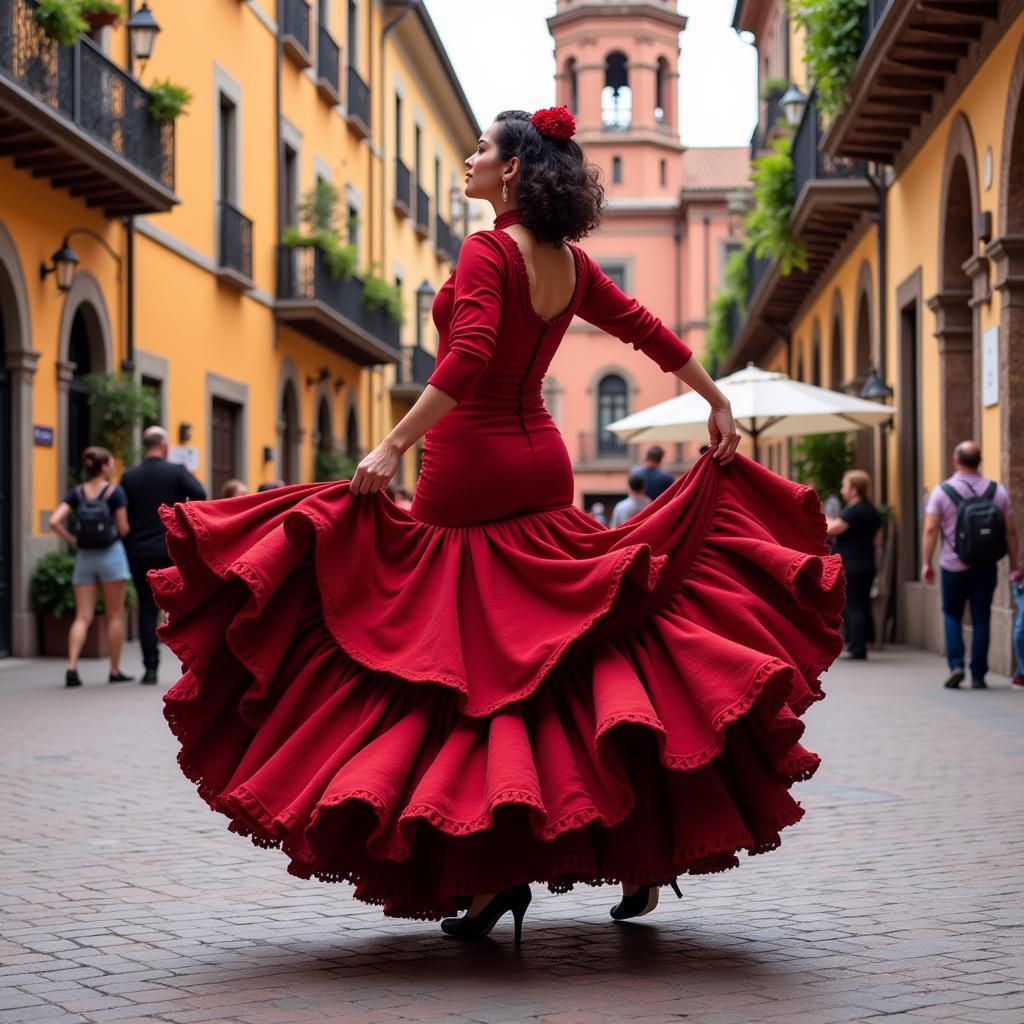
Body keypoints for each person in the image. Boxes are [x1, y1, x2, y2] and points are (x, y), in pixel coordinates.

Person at [149, 106, 843, 942]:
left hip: (468, 470)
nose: (470, 158)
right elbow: (647, 330)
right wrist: (716, 396)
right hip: (542, 464)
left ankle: (489, 874)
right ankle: (641, 856)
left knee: (460, 670)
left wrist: (392, 446)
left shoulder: (486, 249)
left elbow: (470, 354)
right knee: (571, 649)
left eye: (481, 149)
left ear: (511, 170)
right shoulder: (569, 263)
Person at [921, 441, 1020, 689]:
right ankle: (978, 674)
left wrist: (926, 562)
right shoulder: (998, 491)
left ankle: (956, 665)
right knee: (981, 616)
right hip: (986, 566)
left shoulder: (942, 491)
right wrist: (1015, 565)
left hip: (952, 565)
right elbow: (1011, 532)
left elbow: (931, 529)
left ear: (956, 460)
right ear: (980, 461)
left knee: (952, 613)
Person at [121, 427, 206, 685]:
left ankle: (150, 668)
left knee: (146, 608)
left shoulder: (129, 476)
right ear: (164, 445)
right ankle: (190, 664)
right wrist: (182, 520)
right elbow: (200, 494)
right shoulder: (176, 472)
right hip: (170, 549)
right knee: (179, 606)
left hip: (138, 550)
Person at [48, 446, 133, 687]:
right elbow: (124, 528)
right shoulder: (116, 493)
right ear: (105, 466)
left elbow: (54, 521)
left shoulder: (77, 493)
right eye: (111, 463)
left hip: (85, 558)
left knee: (82, 616)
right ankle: (114, 670)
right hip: (111, 556)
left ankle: (72, 667)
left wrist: (73, 540)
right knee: (114, 615)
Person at [826, 470, 882, 661]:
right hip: (867, 562)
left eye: (845, 485)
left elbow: (832, 530)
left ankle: (856, 647)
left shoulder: (854, 510)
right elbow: (878, 541)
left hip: (852, 563)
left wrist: (823, 519)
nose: (843, 490)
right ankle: (863, 643)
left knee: (852, 606)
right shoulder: (871, 511)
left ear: (854, 489)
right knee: (862, 604)